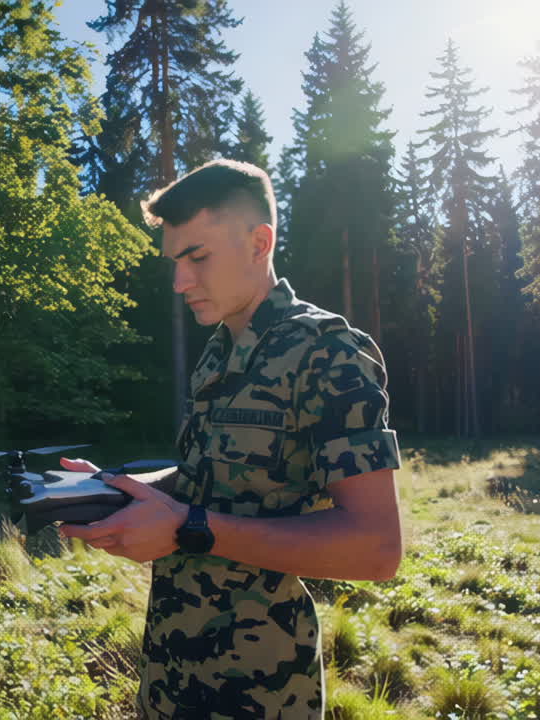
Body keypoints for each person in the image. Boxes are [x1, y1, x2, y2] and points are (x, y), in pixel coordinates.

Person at [59, 159, 403, 719]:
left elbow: (377, 548)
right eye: (175, 262)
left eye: (197, 257)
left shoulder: (328, 353)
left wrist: (188, 529)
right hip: (170, 674)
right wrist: (117, 488)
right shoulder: (218, 352)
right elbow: (206, 480)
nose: (180, 282)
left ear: (259, 242)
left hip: (258, 688)